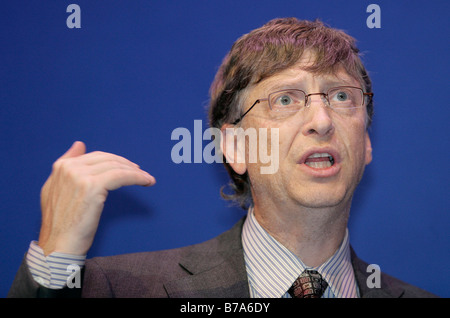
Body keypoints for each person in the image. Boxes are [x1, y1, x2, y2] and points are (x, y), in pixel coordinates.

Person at [8, 17, 436, 298]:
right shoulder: (118, 288)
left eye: (342, 96)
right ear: (235, 147)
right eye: (286, 99)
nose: (321, 120)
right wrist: (55, 260)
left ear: (365, 143)